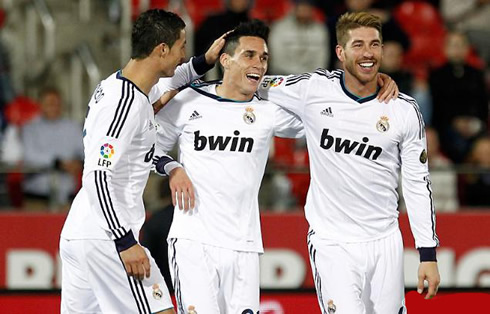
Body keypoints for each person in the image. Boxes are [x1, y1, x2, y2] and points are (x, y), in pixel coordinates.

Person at [153, 19, 397, 314]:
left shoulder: (268, 111)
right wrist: (172, 168)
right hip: (194, 241)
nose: (259, 63)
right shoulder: (190, 100)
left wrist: (369, 82)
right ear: (226, 60)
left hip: (245, 245)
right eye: (250, 55)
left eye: (264, 57)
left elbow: (329, 114)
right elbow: (150, 146)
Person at [258, 12, 440, 313]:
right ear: (340, 53)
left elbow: (418, 184)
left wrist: (428, 253)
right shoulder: (314, 89)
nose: (368, 53)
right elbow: (255, 84)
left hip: (385, 242)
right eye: (358, 45)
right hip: (332, 242)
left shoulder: (404, 110)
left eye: (374, 44)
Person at [59, 9, 225, 314]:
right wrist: (124, 241)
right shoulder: (126, 105)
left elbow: (166, 87)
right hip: (107, 237)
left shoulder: (118, 86)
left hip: (80, 232)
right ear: (162, 49)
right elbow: (97, 176)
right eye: (181, 46)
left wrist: (204, 62)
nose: (183, 55)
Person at [429, 31, 488, 163]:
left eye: (461, 45)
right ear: (445, 48)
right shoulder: (437, 75)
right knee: (457, 146)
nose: (458, 49)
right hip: (447, 126)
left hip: (475, 125)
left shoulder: (476, 74)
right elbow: (438, 107)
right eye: (454, 45)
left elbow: (482, 103)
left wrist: (474, 122)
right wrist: (455, 122)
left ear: (468, 49)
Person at [20, 87, 83, 210]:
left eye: (56, 103)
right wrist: (58, 163)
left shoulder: (73, 127)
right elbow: (29, 155)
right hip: (37, 198)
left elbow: (83, 151)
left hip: (67, 199)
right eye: (49, 104)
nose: (53, 107)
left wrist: (78, 162)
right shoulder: (30, 128)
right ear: (41, 105)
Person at [268, 0, 329, 75]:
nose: (304, 12)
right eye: (301, 7)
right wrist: (298, 77)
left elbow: (321, 61)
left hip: (311, 79)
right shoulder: (279, 28)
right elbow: (277, 61)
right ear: (293, 8)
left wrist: (307, 77)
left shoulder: (320, 30)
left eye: (307, 8)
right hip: (283, 77)